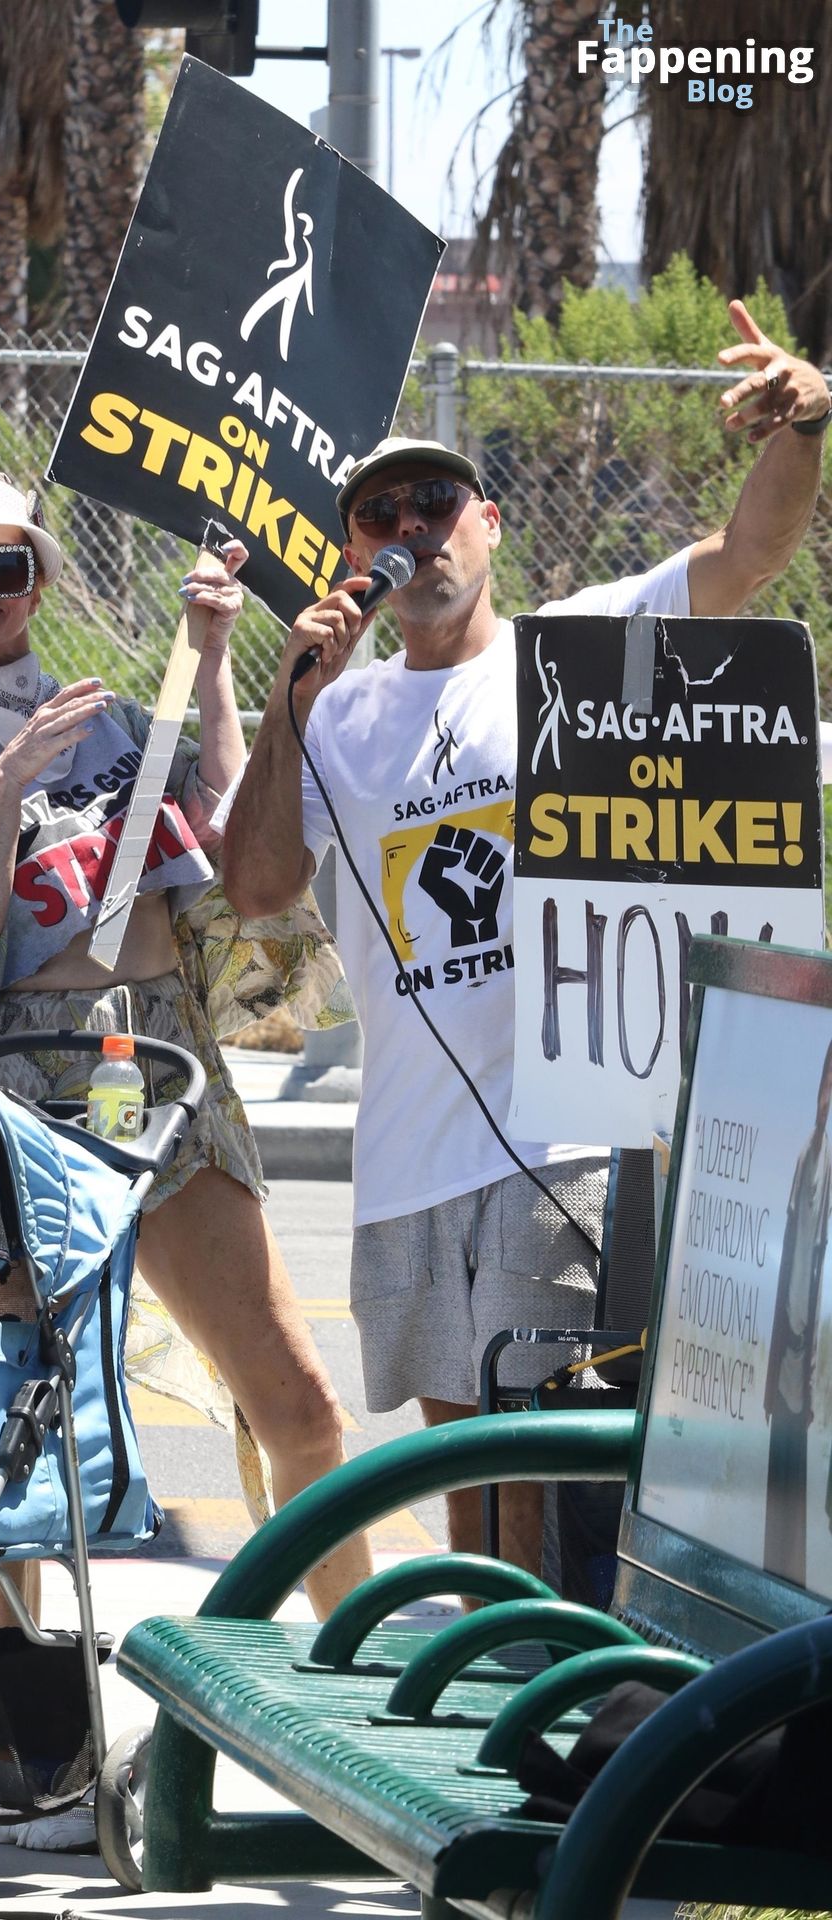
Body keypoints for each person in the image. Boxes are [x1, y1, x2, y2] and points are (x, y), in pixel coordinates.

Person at [221, 298, 831, 1579]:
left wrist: (803, 426)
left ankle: (573, 1729)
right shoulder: (338, 716)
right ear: (350, 549)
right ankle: (492, 1718)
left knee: (545, 1468)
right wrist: (287, 700)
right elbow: (262, 887)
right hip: (406, 1158)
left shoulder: (577, 645)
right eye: (380, 518)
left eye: (434, 506)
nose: (410, 535)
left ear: (486, 526)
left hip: (554, 1142)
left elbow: (745, 558)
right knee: (459, 1477)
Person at [0, 449, 373, 1639]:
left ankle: (347, 1667)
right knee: (16, 1420)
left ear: (37, 578)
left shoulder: (128, 719)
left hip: (165, 1067)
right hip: (20, 1088)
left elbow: (242, 854)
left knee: (294, 1397)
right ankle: (20, 1726)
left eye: (3, 564)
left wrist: (222, 656)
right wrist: (3, 791)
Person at [763, 1038, 832, 1588]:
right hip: (788, 1365)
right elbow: (788, 1266)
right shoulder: (809, 1151)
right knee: (779, 1528)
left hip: (814, 1371)